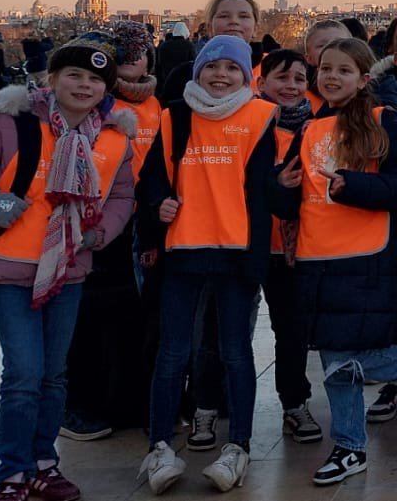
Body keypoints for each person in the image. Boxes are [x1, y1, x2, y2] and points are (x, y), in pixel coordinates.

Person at [0, 34, 138, 501]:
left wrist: (101, 231)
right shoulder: (15, 124)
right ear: (53, 79)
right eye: (74, 75)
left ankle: (44, 462)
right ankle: (14, 469)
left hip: (69, 267)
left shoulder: (114, 138)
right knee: (23, 374)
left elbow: (123, 194)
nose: (84, 86)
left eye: (95, 79)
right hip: (11, 266)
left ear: (108, 88)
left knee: (53, 374)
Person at [134, 35, 281, 495]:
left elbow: (264, 193)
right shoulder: (175, 116)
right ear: (198, 71)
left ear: (245, 75)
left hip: (237, 251)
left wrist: (261, 253)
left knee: (236, 351)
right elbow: (153, 178)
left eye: (231, 69)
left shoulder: (261, 117)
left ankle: (238, 443)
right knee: (174, 352)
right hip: (185, 248)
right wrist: (157, 204)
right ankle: (159, 444)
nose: (221, 75)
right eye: (212, 67)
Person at [271, 37, 397, 487]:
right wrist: (282, 186)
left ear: (363, 79)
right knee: (334, 354)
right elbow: (294, 202)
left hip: (366, 255)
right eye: (326, 69)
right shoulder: (309, 129)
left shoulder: (382, 121)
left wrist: (352, 186)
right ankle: (350, 446)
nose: (331, 77)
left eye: (343, 70)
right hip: (318, 257)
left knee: (343, 357)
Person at [60, 21, 161, 445]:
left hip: (138, 220)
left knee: (131, 316)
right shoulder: (94, 103)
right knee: (87, 317)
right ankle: (81, 403)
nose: (134, 56)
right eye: (124, 50)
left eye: (141, 50)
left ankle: (128, 400)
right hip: (93, 222)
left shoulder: (157, 105)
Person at [253, 50, 320, 443]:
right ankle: (212, 403)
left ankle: (295, 401)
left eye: (299, 78)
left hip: (294, 248)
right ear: (261, 84)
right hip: (251, 241)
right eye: (282, 77)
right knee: (224, 331)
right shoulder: (247, 128)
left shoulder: (315, 130)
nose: (292, 85)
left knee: (291, 331)